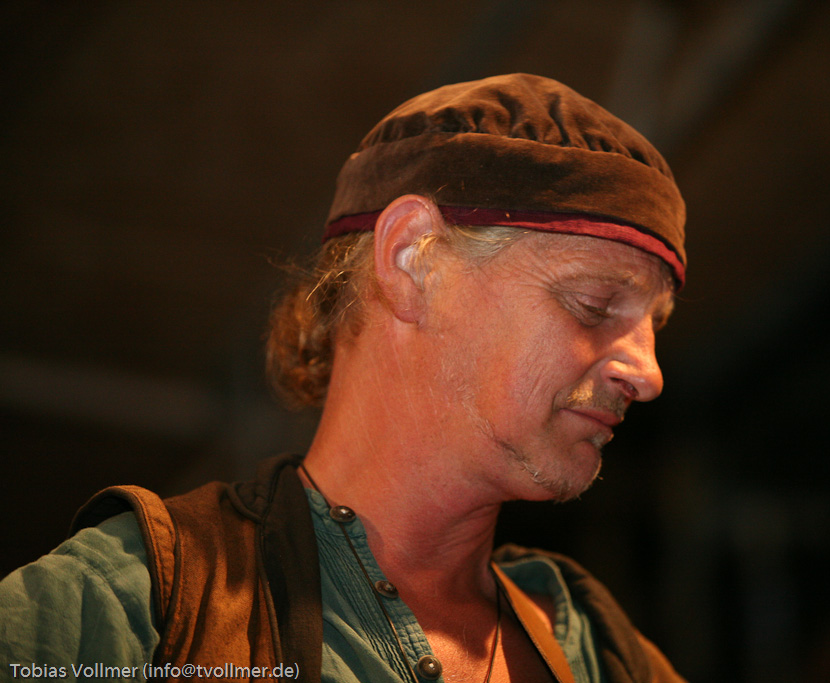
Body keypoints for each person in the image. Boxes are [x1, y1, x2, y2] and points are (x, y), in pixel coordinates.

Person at [0, 73, 687, 682]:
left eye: (654, 324)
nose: (649, 374)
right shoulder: (131, 611)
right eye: (594, 304)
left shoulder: (606, 656)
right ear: (412, 261)